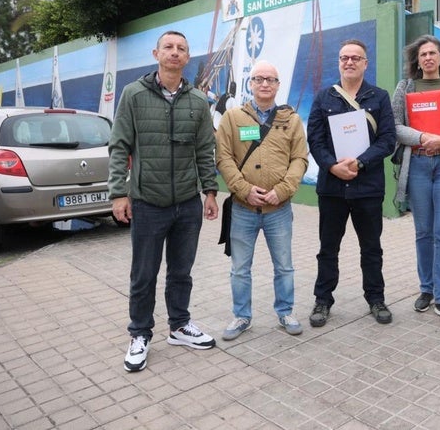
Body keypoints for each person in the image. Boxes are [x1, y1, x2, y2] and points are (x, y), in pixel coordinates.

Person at [109, 30, 219, 373]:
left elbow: (205, 150)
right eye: (168, 47)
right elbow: (120, 146)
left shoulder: (198, 101)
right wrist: (118, 193)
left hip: (187, 203)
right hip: (147, 202)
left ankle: (179, 326)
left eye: (181, 49)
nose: (174, 53)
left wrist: (210, 192)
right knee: (143, 274)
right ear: (156, 53)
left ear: (187, 58)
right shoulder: (133, 95)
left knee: (181, 271)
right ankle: (140, 334)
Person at [215, 60, 309, 340]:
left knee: (284, 266)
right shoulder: (232, 118)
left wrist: (282, 190)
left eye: (271, 79)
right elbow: (223, 157)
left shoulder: (291, 120)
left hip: (278, 209)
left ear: (278, 85)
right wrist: (243, 189)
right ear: (250, 84)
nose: (265, 84)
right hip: (244, 208)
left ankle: (285, 311)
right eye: (259, 79)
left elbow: (300, 159)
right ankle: (241, 316)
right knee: (240, 268)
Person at [307, 39, 396, 327]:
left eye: (356, 58)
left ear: (365, 63)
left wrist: (359, 162)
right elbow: (315, 139)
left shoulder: (379, 97)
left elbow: (387, 140)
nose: (349, 62)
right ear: (339, 62)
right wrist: (333, 166)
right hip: (332, 188)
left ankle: (376, 299)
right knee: (328, 248)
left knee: (371, 247)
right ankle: (323, 301)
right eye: (345, 57)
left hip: (367, 187)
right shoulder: (323, 98)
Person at [392, 35, 440, 325]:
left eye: (432, 53)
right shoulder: (405, 87)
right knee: (424, 231)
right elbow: (396, 126)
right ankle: (426, 289)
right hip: (418, 166)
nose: (427, 58)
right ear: (417, 59)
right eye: (423, 54)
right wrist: (424, 137)